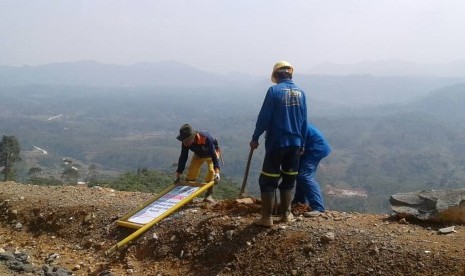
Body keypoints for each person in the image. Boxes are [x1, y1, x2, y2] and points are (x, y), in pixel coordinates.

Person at [250, 60, 308, 227]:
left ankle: (266, 218)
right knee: (289, 179)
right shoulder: (301, 93)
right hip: (295, 144)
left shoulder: (273, 91)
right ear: (290, 74)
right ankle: (286, 215)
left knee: (268, 179)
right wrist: (302, 143)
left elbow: (264, 117)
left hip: (277, 143)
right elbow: (304, 121)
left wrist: (255, 138)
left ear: (275, 75)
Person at [293, 123, 331, 217]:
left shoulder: (287, 128)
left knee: (304, 176)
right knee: (299, 174)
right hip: (309, 147)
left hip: (316, 148)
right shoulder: (288, 124)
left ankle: (318, 207)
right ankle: (298, 202)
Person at [175, 123, 221, 203]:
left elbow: (213, 155)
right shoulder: (185, 142)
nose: (185, 143)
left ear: (192, 137)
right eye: (183, 141)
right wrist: (179, 172)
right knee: (191, 172)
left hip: (210, 154)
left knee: (211, 172)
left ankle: (209, 195)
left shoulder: (206, 138)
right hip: (198, 154)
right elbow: (183, 156)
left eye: (186, 141)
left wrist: (217, 171)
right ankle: (189, 195)